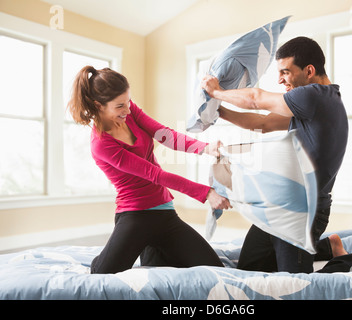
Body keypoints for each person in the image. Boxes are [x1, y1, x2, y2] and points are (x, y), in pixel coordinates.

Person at [201, 36, 352, 273]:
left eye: (285, 72)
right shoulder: (314, 102)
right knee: (249, 270)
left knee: (296, 286)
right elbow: (263, 123)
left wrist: (217, 92)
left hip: (304, 211)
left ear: (310, 70)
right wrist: (218, 112)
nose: (280, 79)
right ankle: (326, 247)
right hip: (279, 203)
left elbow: (255, 100)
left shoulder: (314, 96)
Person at [68, 66, 231, 274]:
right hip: (135, 217)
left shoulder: (130, 111)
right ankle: (132, 250)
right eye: (120, 106)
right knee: (102, 275)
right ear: (99, 106)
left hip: (165, 214)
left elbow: (165, 135)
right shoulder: (101, 143)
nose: (127, 109)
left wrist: (204, 148)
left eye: (128, 101)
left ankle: (152, 251)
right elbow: (155, 174)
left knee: (214, 269)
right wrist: (206, 192)